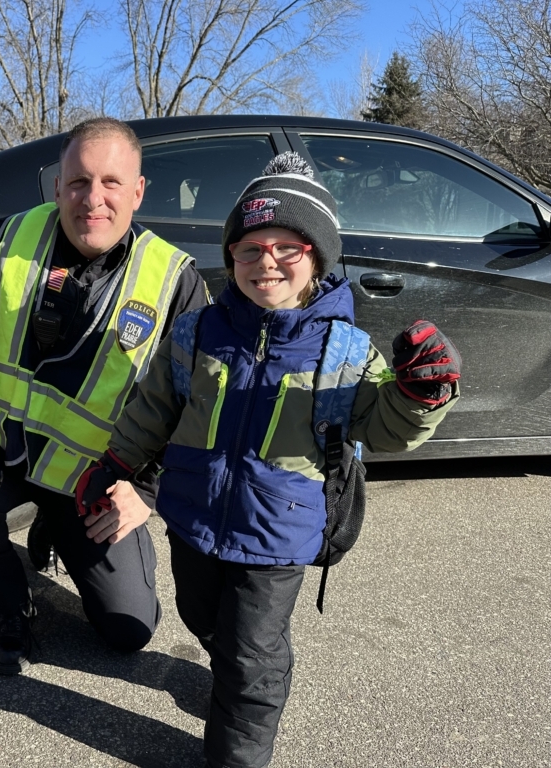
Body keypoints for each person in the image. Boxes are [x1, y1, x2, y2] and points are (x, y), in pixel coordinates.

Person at [81, 151, 461, 767]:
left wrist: (422, 396)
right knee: (201, 616)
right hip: (193, 517)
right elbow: (154, 408)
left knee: (251, 656)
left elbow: (385, 429)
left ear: (318, 256)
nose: (267, 262)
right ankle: (241, 670)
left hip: (276, 534)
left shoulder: (344, 350)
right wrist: (116, 463)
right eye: (250, 248)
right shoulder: (197, 332)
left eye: (289, 247)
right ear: (231, 254)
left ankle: (241, 744)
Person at [0, 117, 208, 674]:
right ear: (58, 185)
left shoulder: (174, 281)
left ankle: (59, 527)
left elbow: (197, 407)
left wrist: (148, 491)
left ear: (138, 191)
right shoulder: (2, 243)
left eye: (112, 182)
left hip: (95, 475)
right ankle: (11, 599)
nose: (93, 199)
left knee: (129, 630)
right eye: (79, 182)